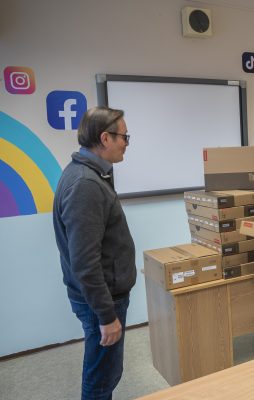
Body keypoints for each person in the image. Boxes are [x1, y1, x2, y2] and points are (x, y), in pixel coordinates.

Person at [53, 106, 136, 400]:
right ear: (105, 138)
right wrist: (106, 315)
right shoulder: (86, 185)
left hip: (101, 297)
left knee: (104, 373)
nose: (127, 142)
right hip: (101, 301)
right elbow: (85, 263)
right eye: (124, 137)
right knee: (101, 379)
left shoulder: (86, 174)